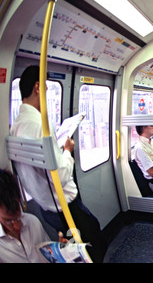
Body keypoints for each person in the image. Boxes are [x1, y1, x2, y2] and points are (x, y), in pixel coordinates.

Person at [9, 65, 107, 263]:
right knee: (94, 245)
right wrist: (67, 151)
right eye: (45, 86)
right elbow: (59, 175)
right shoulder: (40, 125)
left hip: (46, 207)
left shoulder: (16, 125)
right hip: (66, 207)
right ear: (38, 87)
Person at [0, 169, 52, 263]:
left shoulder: (33, 223)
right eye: (8, 221)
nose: (17, 226)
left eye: (18, 217)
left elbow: (49, 256)